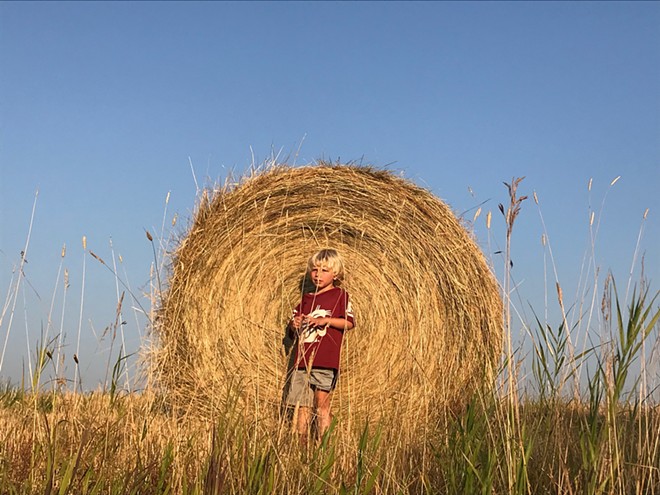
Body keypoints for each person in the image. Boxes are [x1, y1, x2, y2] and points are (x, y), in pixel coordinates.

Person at [285, 248, 355, 443]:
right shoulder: (306, 299)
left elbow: (349, 323)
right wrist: (294, 324)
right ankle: (302, 446)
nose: (318, 274)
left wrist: (327, 320)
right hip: (302, 362)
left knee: (321, 404)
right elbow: (292, 331)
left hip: (325, 360)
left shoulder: (340, 296)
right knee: (302, 407)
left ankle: (324, 446)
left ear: (336, 274)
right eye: (315, 270)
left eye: (324, 270)